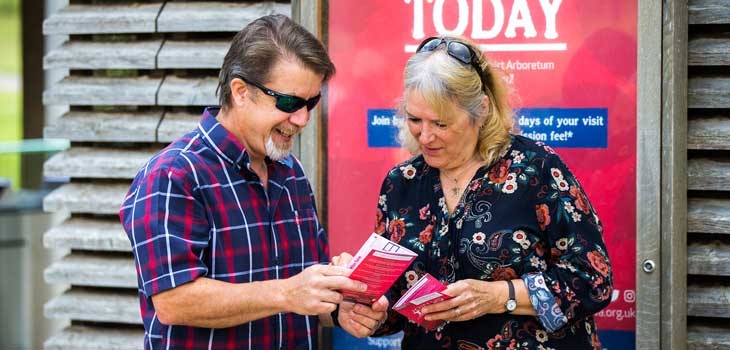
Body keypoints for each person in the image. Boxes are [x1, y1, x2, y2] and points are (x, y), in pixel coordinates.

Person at [119, 14, 385, 350]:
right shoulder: (173, 174)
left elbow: (304, 292)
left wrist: (339, 307)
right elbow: (174, 301)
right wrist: (286, 292)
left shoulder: (292, 173)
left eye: (311, 103)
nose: (302, 119)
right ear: (241, 92)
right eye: (289, 102)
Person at [357, 36, 614, 349]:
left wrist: (498, 297)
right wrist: (369, 313)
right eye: (414, 119)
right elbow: (395, 302)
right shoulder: (401, 183)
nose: (425, 135)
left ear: (481, 110)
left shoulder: (535, 169)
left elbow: (592, 281)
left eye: (440, 123)